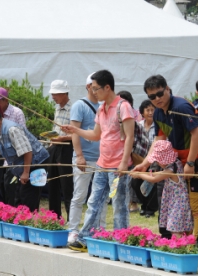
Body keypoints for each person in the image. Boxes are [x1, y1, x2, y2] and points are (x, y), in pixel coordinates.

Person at [133, 74, 198, 253]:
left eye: (160, 94)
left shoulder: (181, 106)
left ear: (167, 89)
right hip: (179, 163)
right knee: (184, 205)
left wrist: (191, 162)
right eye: (151, 97)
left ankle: (196, 252)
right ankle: (181, 245)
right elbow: (159, 139)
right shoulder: (158, 113)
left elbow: (197, 133)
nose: (157, 99)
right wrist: (145, 163)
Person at [62, 69, 135, 252]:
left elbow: (129, 137)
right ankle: (85, 238)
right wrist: (75, 130)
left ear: (107, 87)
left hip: (118, 166)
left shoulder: (123, 106)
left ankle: (121, 240)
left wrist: (124, 162)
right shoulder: (101, 108)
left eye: (96, 88)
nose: (93, 92)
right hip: (102, 164)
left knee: (119, 203)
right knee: (94, 201)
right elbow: (95, 135)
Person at [67, 73, 107, 244]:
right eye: (94, 85)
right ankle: (73, 230)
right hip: (85, 158)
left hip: (101, 159)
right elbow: (74, 132)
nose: (96, 89)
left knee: (101, 197)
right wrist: (80, 156)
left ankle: (100, 230)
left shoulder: (104, 106)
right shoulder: (79, 105)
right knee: (80, 195)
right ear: (88, 86)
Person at [131, 140, 193, 236]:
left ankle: (177, 247)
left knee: (175, 228)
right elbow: (157, 175)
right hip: (174, 200)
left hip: (178, 202)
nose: (157, 163)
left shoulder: (170, 170)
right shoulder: (176, 163)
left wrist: (139, 174)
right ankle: (180, 245)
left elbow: (154, 179)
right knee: (176, 226)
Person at [0, 87, 26, 206]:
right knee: (7, 189)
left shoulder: (17, 113)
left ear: (6, 100)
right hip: (6, 161)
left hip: (18, 160)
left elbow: (23, 136)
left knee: (18, 193)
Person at [46, 80, 74, 221]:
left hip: (67, 148)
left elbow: (77, 133)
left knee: (66, 184)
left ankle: (71, 218)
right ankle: (54, 216)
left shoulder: (73, 109)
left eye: (55, 94)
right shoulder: (57, 108)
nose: (53, 97)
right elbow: (57, 129)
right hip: (54, 146)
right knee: (52, 182)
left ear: (64, 93)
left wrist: (62, 139)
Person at [131, 100, 159, 218]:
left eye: (153, 110)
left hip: (155, 160)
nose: (150, 112)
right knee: (135, 183)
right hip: (140, 160)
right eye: (148, 110)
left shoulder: (158, 126)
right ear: (142, 112)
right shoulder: (139, 125)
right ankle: (145, 205)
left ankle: (150, 209)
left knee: (152, 184)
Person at [116, 90, 142, 213]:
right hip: (125, 152)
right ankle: (130, 202)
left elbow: (131, 135)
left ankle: (133, 202)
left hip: (134, 151)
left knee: (132, 180)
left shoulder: (134, 114)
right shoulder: (118, 112)